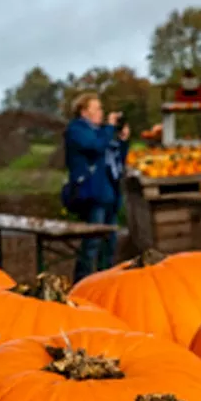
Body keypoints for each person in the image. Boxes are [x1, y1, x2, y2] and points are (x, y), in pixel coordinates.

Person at [64, 93, 124, 282]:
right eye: (96, 108)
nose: (101, 112)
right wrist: (110, 128)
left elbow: (117, 158)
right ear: (84, 112)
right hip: (92, 193)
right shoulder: (76, 130)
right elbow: (95, 147)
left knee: (110, 243)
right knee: (92, 243)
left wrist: (122, 140)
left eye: (101, 108)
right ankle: (82, 282)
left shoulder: (101, 131)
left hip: (109, 193)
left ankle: (105, 281)